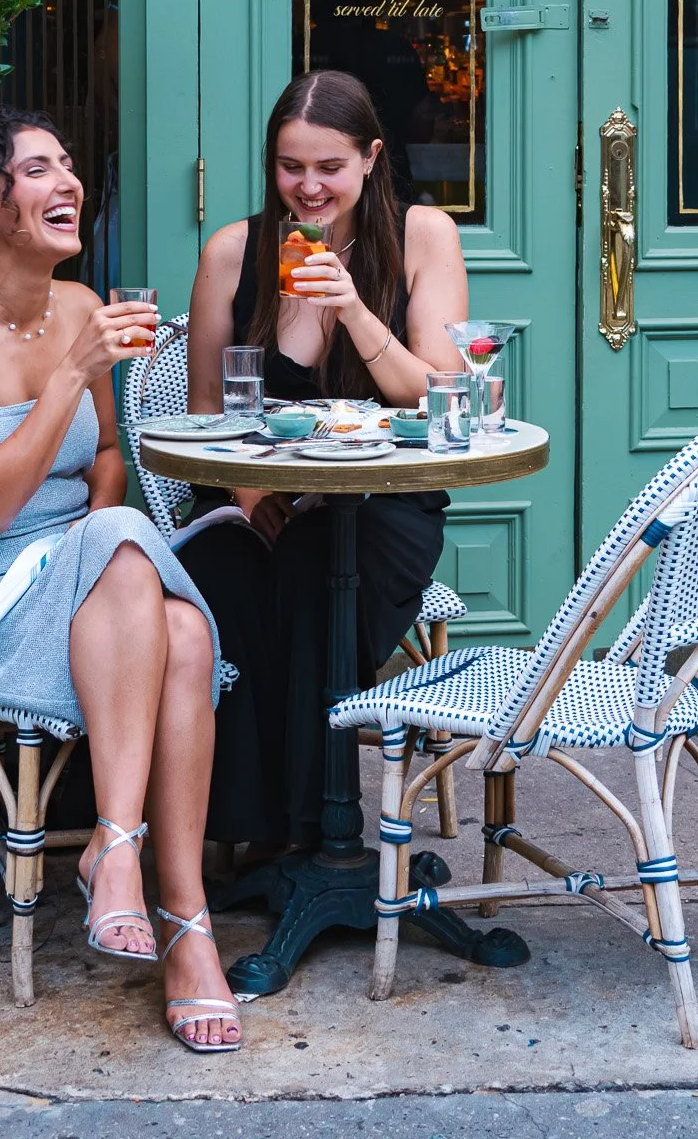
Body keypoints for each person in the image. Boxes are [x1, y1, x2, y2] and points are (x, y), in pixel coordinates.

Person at [0, 107, 240, 1054]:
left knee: (180, 622)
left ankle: (180, 917)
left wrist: (95, 548)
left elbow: (110, 458)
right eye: (39, 170)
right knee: (153, 590)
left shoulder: (80, 305)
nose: (69, 181)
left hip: (75, 572)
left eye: (70, 164)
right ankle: (127, 868)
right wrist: (69, 380)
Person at [182, 69, 468, 850]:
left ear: (372, 157)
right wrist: (245, 497)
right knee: (226, 577)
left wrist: (352, 307)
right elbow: (208, 403)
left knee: (317, 569)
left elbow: (435, 393)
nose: (307, 187)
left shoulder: (423, 236)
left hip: (384, 503)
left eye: (329, 167)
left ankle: (309, 841)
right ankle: (244, 839)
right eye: (290, 166)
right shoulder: (234, 251)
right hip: (252, 496)